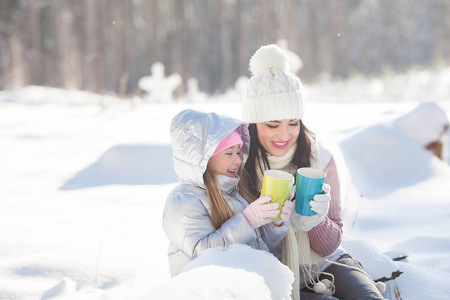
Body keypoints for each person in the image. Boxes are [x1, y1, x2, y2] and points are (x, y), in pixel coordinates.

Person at [239, 44, 386, 300]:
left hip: (327, 264)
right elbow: (237, 244)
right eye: (272, 124)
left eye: (293, 123)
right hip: (273, 275)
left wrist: (316, 221)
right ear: (253, 124)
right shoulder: (239, 165)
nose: (284, 135)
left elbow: (330, 246)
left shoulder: (320, 160)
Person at [163, 109, 295, 277]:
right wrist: (247, 221)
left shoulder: (232, 192)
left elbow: (255, 245)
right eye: (229, 153)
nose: (238, 160)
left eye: (239, 152)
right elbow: (202, 255)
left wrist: (272, 225)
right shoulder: (183, 200)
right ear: (204, 158)